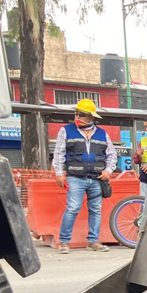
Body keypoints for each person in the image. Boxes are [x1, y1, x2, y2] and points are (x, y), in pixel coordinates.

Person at [53, 98, 117, 254]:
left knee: (96, 210)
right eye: (77, 113)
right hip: (75, 177)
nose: (78, 117)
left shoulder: (102, 134)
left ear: (91, 117)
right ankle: (64, 241)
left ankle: (93, 241)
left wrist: (108, 171)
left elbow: (112, 155)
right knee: (73, 208)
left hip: (96, 178)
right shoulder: (66, 131)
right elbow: (59, 153)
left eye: (81, 114)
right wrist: (59, 173)